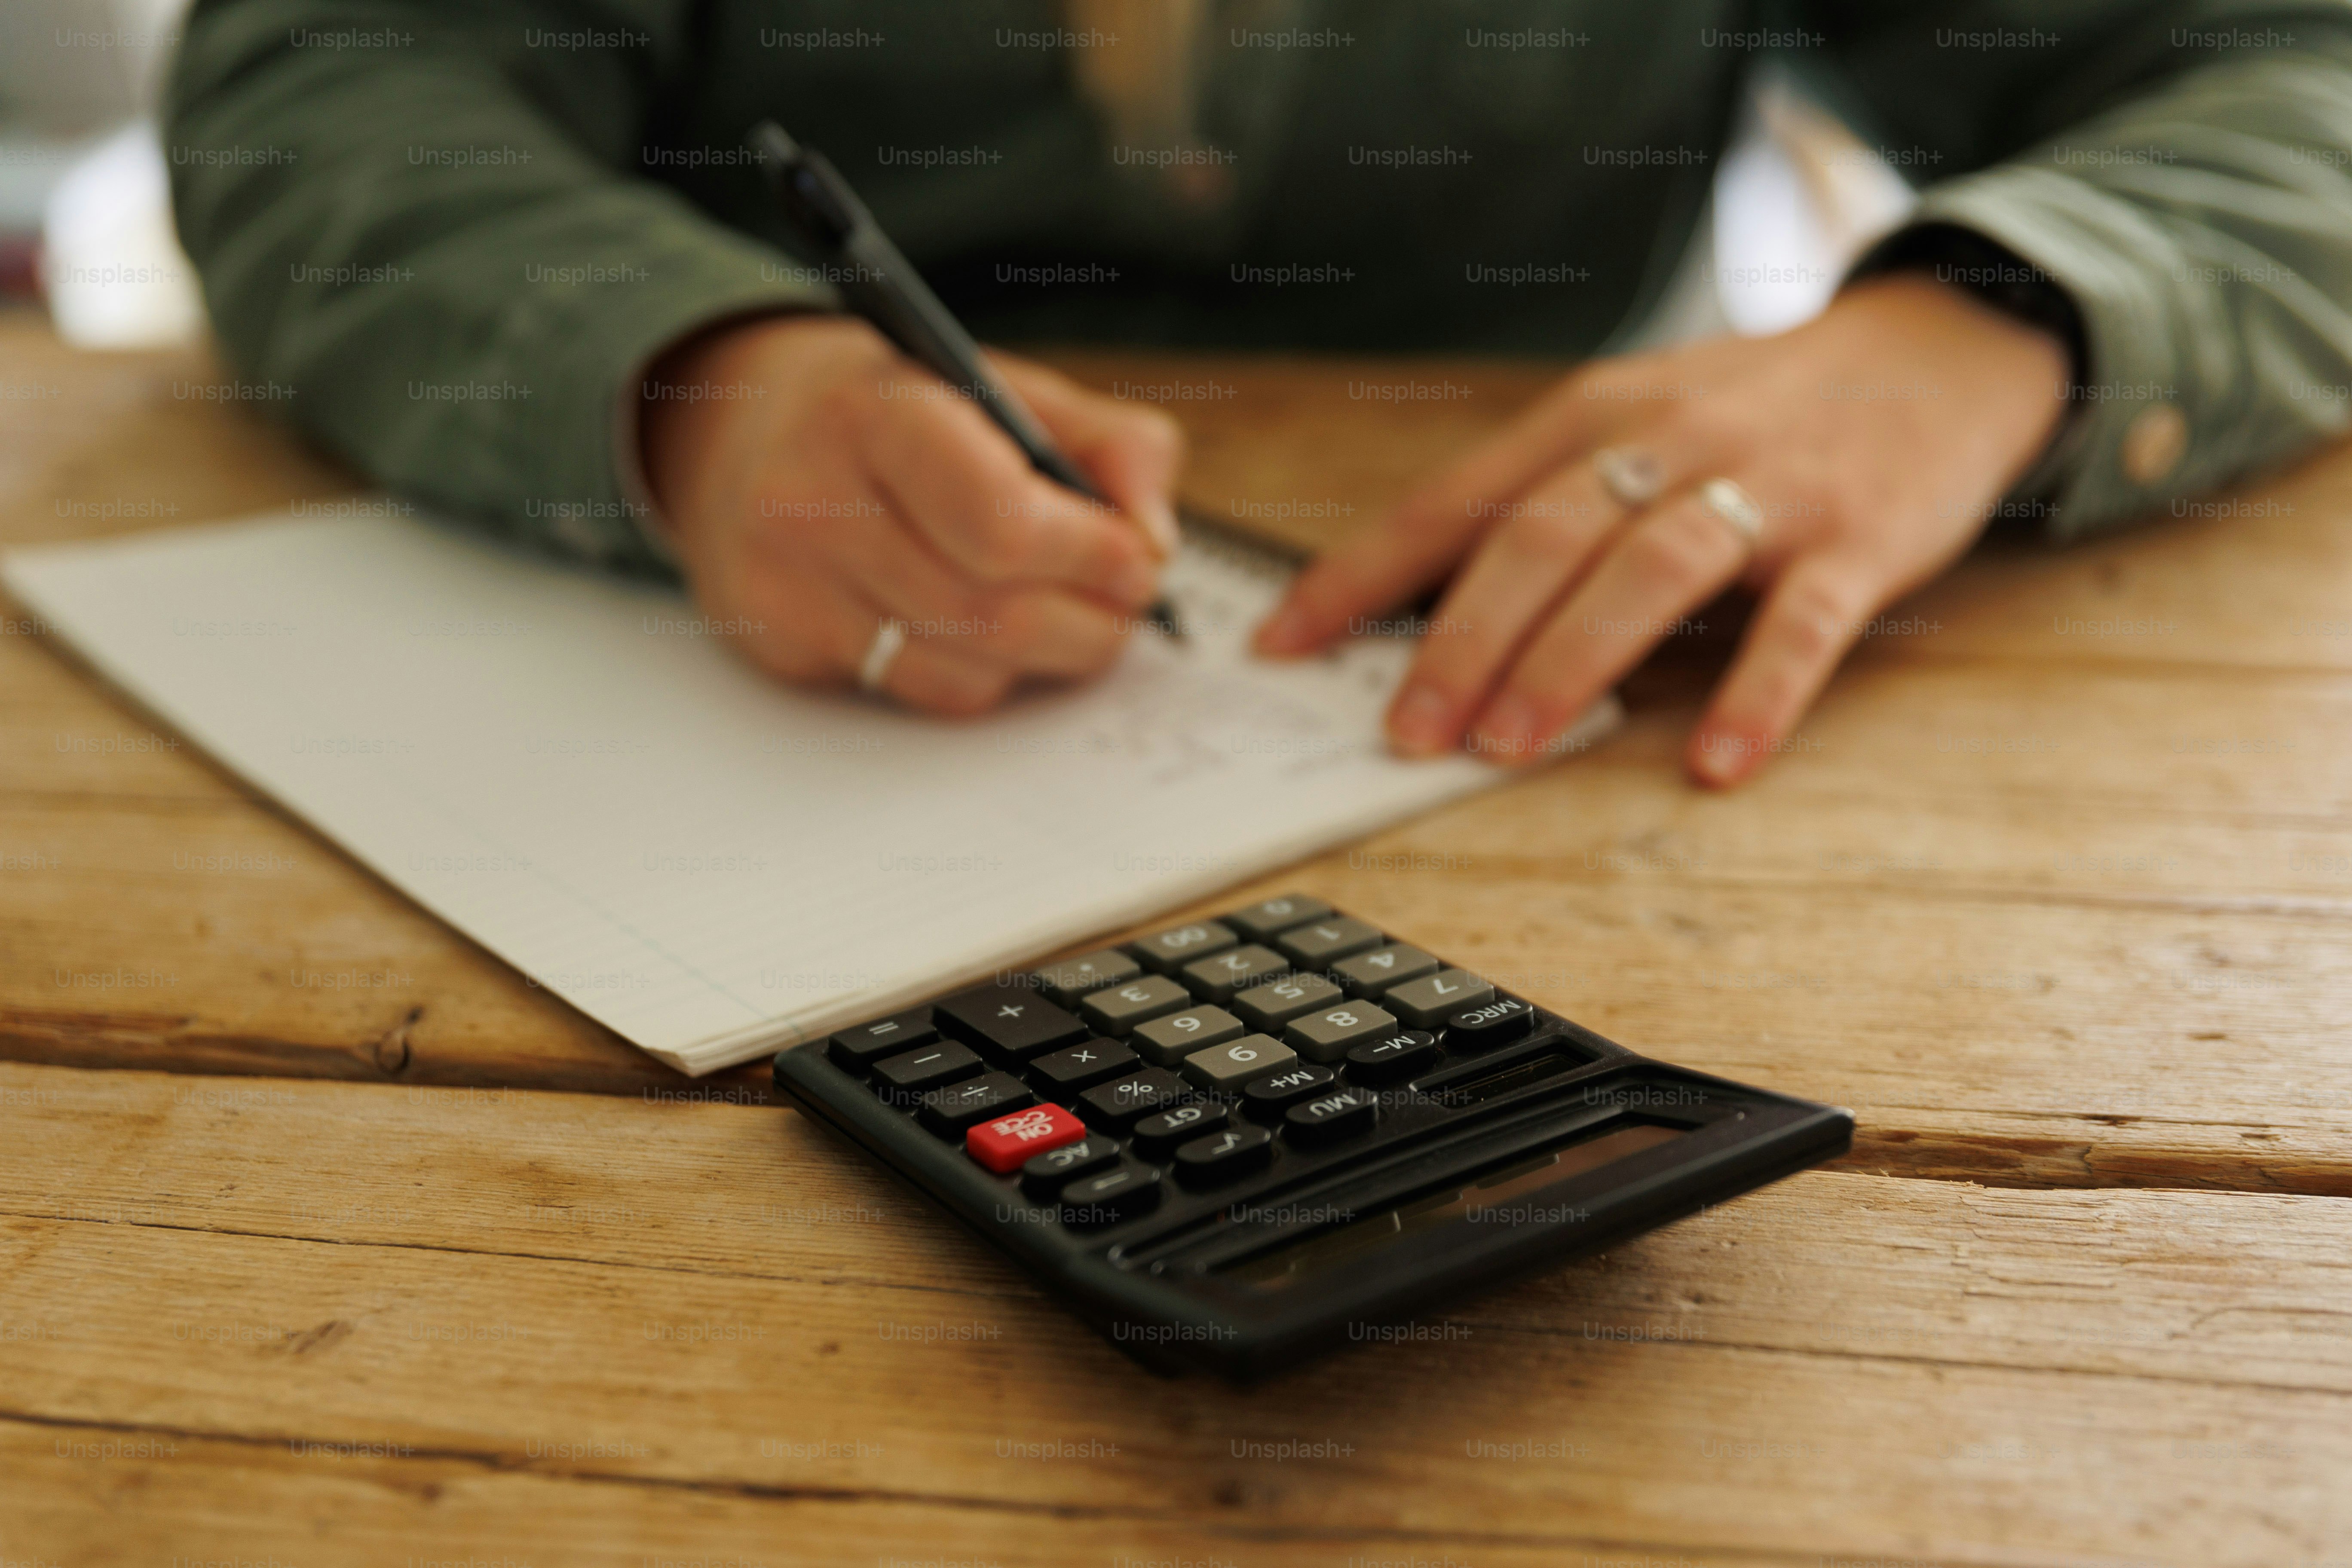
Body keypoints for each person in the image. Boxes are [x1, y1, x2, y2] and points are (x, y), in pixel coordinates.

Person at [165, 2, 2352, 784]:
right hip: (632, 705)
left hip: (1584, 705)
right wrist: (699, 383)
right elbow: (323, 86)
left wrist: (1971, 333)